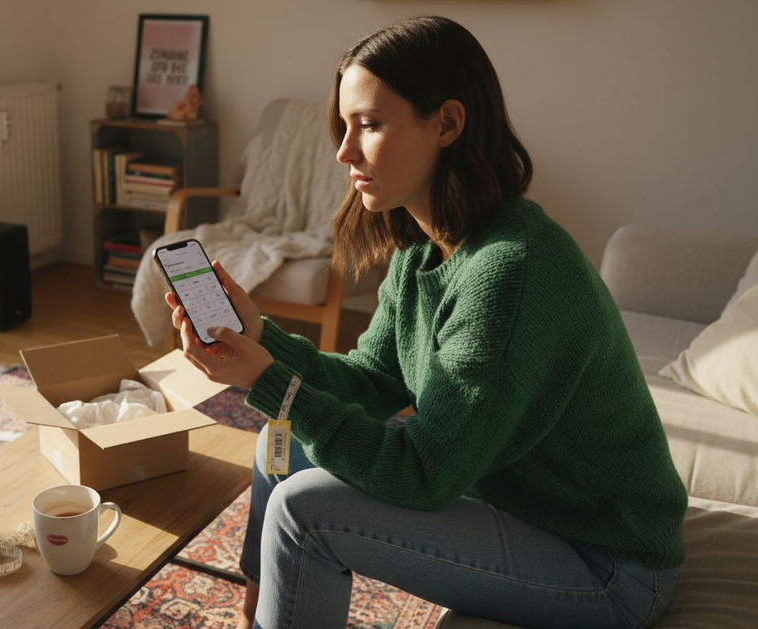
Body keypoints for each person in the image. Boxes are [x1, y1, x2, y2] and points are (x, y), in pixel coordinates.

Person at [163, 15, 687, 629]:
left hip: (606, 564)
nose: (343, 151)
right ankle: (264, 602)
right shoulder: (425, 246)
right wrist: (262, 340)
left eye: (370, 125)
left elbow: (424, 472)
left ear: (446, 123)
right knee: (286, 445)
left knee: (304, 510)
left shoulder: (511, 269)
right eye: (345, 126)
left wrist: (269, 380)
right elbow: (371, 379)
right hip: (525, 505)